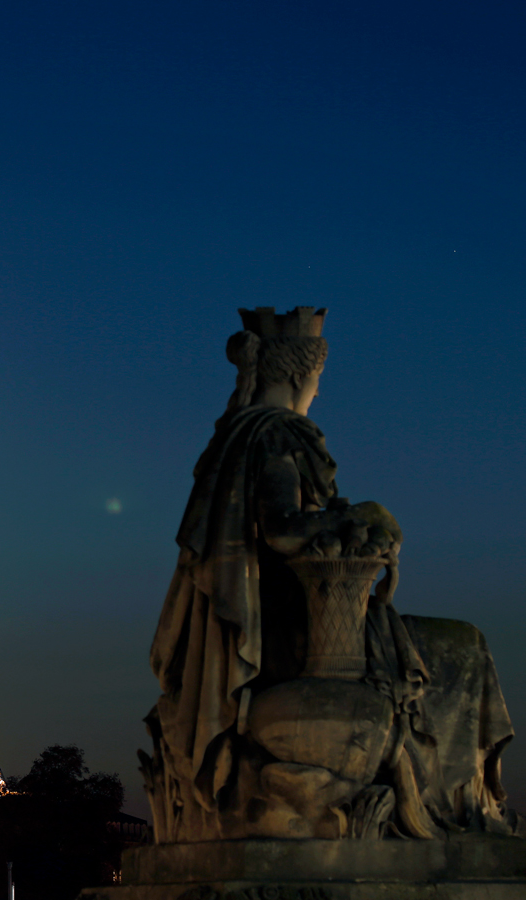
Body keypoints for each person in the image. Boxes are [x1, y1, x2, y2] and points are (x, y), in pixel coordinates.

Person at [142, 307, 515, 842]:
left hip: (263, 625)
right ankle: (470, 809)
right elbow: (283, 530)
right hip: (295, 624)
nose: (316, 392)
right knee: (467, 648)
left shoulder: (235, 437)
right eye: (316, 381)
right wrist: (358, 514)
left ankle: (463, 807)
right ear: (300, 375)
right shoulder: (279, 433)